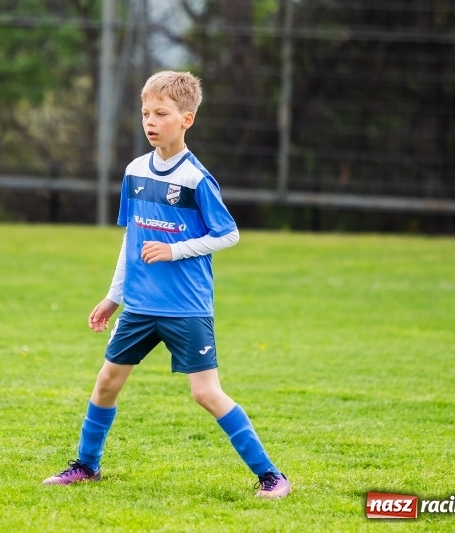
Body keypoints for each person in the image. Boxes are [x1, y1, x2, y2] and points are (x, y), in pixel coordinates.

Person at [42, 71, 290, 498]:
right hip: (139, 305)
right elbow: (131, 239)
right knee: (106, 381)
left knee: (206, 393)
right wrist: (113, 296)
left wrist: (176, 250)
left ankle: (271, 476)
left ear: (187, 119)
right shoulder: (136, 170)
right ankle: (86, 466)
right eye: (145, 113)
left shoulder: (196, 178)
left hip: (186, 307)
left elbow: (228, 233)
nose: (150, 121)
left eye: (161, 113)